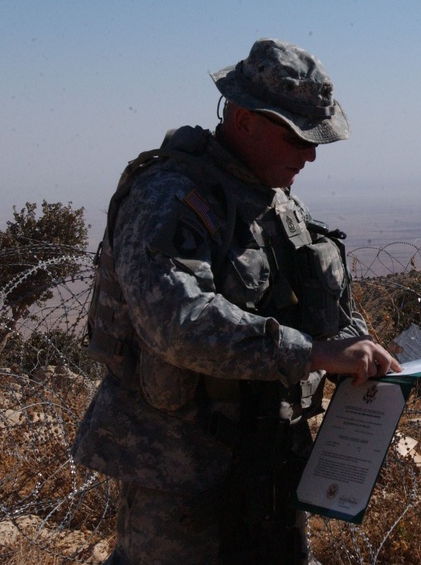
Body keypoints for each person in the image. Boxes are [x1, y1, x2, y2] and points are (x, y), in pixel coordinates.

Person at [72, 38, 400, 565]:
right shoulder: (171, 196)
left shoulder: (279, 203)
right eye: (297, 136)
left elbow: (321, 310)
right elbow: (176, 321)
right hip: (179, 469)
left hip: (270, 456)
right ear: (244, 119)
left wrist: (360, 351)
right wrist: (311, 354)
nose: (310, 154)